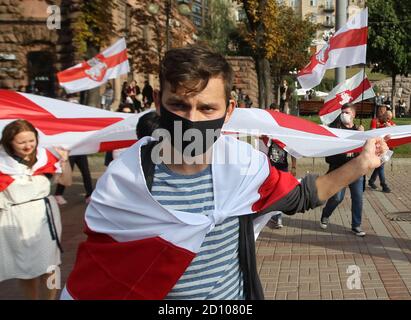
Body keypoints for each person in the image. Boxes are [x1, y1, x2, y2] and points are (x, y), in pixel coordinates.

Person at [62, 45, 389, 300]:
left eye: (207, 108)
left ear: (229, 111)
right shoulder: (125, 183)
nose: (192, 120)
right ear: (159, 103)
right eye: (178, 105)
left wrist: (361, 165)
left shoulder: (244, 170)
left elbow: (302, 196)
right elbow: (99, 276)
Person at [0, 119, 71, 299]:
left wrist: (64, 161)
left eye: (31, 141)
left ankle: (51, 298)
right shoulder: (2, 163)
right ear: (9, 142)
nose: (27, 146)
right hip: (17, 220)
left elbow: (66, 181)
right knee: (26, 268)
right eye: (21, 142)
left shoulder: (44, 157)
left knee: (52, 265)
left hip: (45, 217)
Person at [320, 103, 367, 237]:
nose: (344, 115)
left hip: (356, 170)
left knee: (358, 198)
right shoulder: (336, 130)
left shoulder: (359, 130)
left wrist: (363, 135)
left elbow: (367, 151)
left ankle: (356, 225)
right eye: (342, 112)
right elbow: (329, 154)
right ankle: (326, 214)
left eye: (347, 112)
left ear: (353, 115)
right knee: (337, 197)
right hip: (340, 170)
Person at [264, 103, 297, 228]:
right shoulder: (265, 129)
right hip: (269, 167)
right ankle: (272, 216)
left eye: (277, 112)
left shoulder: (284, 131)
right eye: (273, 112)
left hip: (282, 167)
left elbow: (292, 150)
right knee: (271, 192)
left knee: (281, 191)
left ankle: (277, 217)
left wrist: (294, 166)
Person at [368, 108, 395, 193]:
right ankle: (384, 185)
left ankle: (371, 181)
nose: (388, 120)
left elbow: (396, 128)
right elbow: (373, 133)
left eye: (389, 118)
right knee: (381, 166)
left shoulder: (389, 122)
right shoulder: (375, 121)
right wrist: (384, 128)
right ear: (383, 114)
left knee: (380, 165)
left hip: (388, 148)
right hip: (379, 148)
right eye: (386, 117)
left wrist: (392, 128)